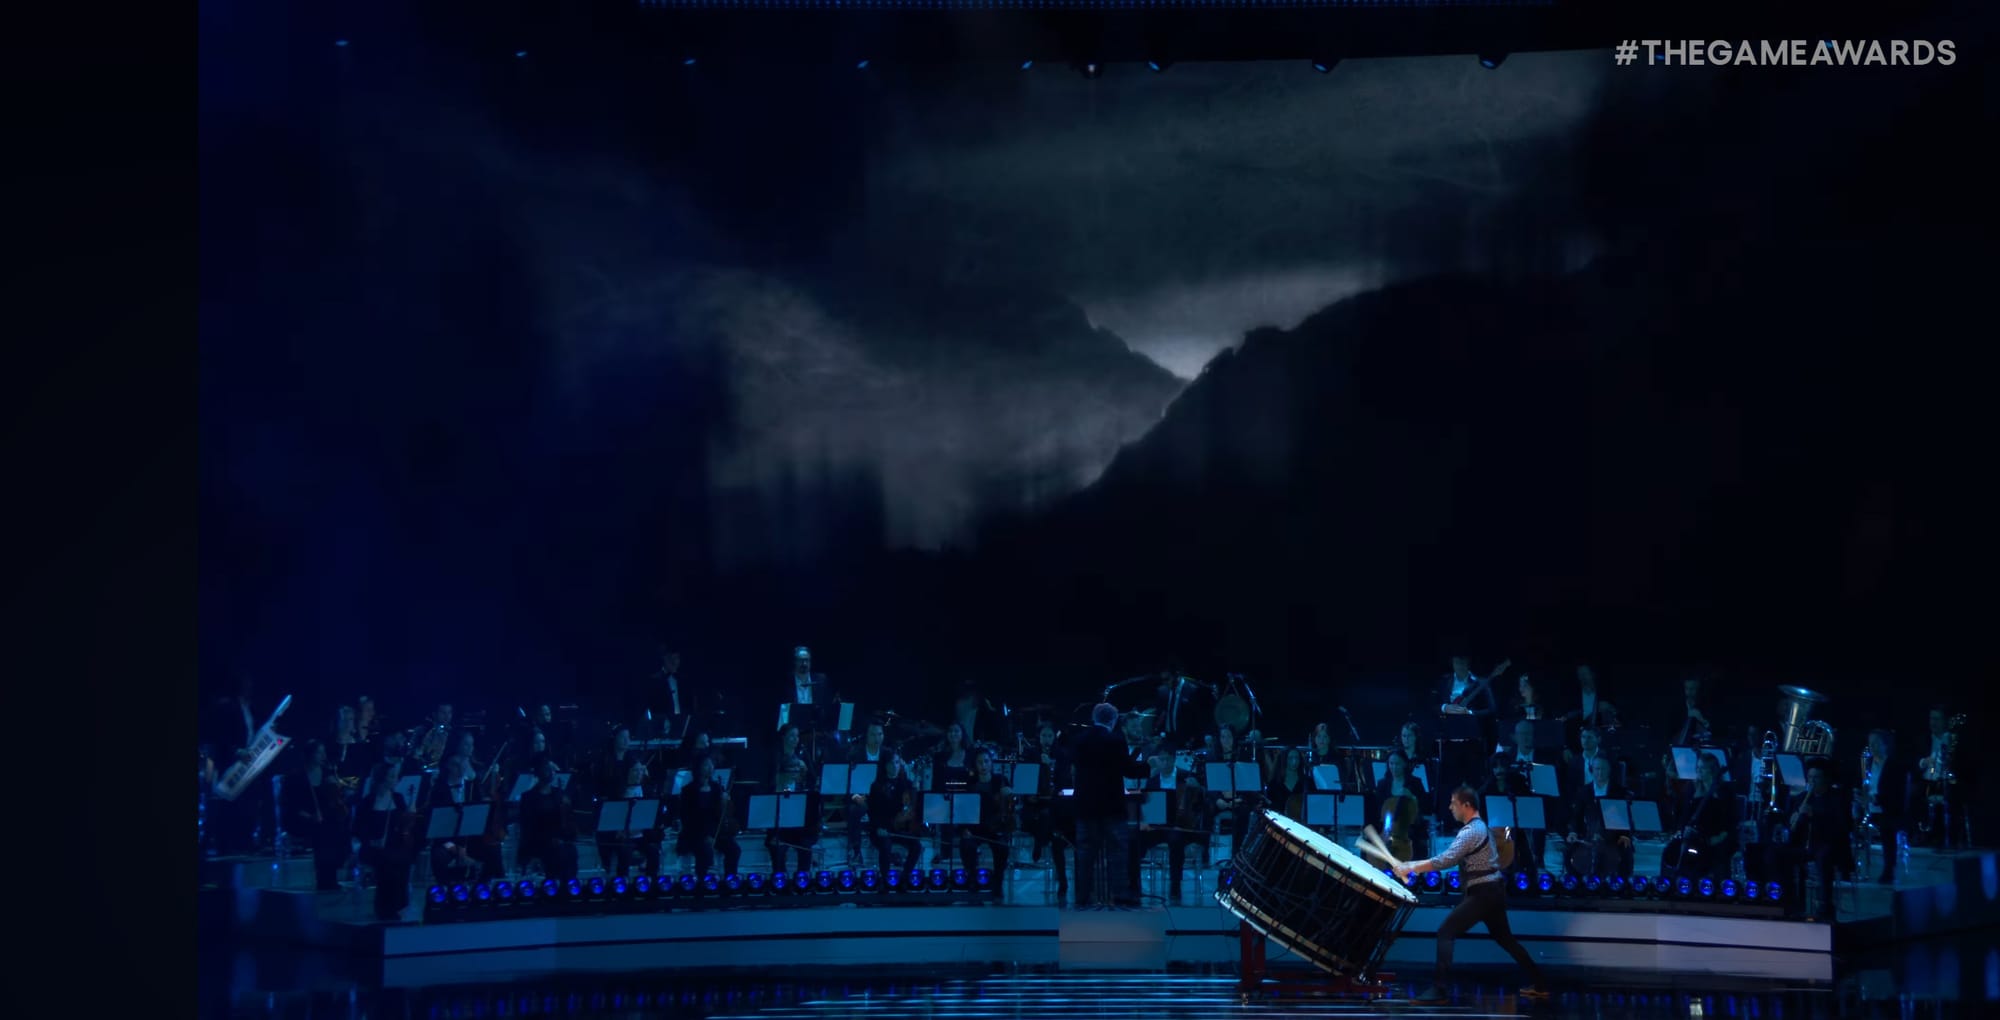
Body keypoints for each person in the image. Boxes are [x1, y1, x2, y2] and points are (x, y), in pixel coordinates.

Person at [1393, 786, 1549, 1004]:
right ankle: (1541, 983)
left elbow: (1445, 860)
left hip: (1484, 894)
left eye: (1453, 803)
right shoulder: (1479, 827)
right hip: (1491, 891)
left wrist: (1411, 866)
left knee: (1445, 932)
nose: (1450, 808)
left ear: (1466, 806)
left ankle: (1439, 990)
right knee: (1505, 939)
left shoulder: (1472, 831)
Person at [1072, 702, 1152, 908]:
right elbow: (1128, 770)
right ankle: (1120, 894)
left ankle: (1082, 897)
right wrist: (1148, 766)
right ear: (1114, 720)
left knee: (1086, 854)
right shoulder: (1116, 740)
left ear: (1094, 718)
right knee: (1117, 851)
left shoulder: (1080, 740)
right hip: (1111, 807)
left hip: (1086, 807)